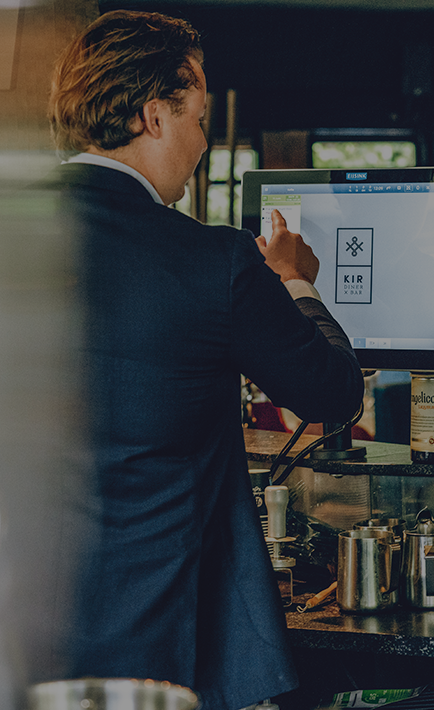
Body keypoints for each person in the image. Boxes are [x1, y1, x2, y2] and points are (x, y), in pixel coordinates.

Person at [46, 9, 364, 710]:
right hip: (156, 648)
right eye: (198, 115)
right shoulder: (212, 261)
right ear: (156, 115)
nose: (199, 142)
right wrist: (295, 281)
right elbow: (335, 394)